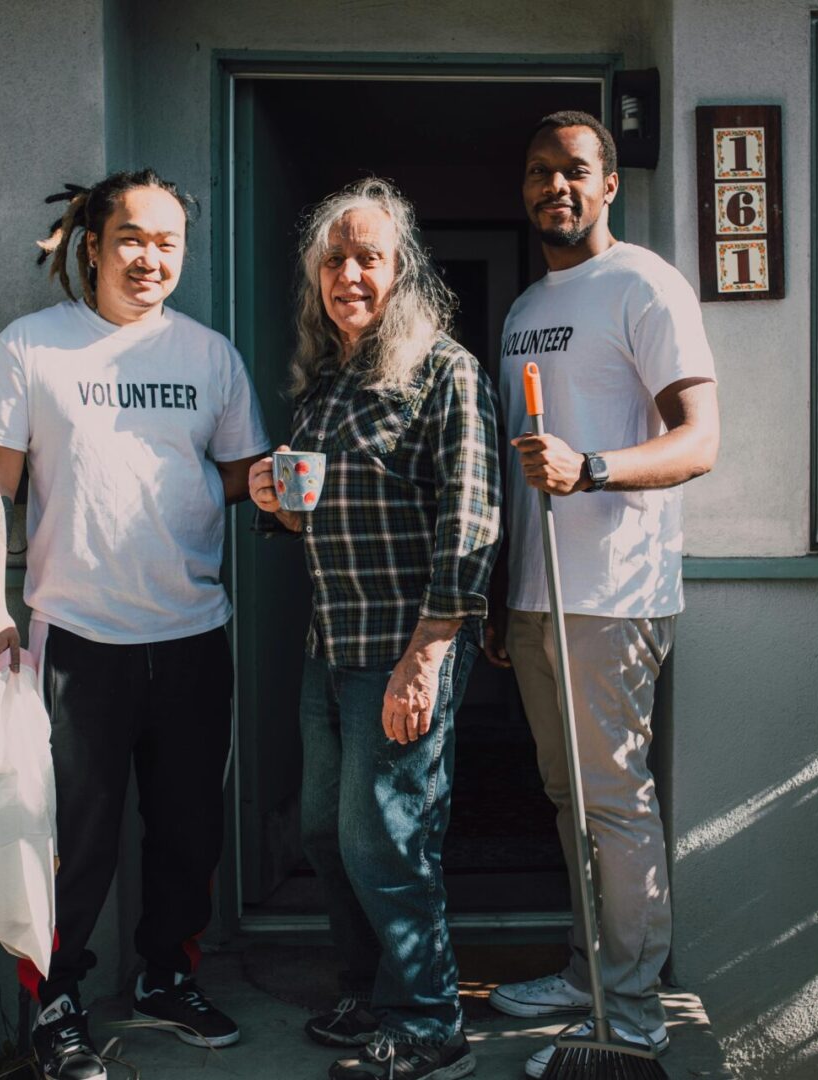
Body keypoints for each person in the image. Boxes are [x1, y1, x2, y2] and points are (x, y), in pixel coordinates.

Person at [0, 169, 270, 1080]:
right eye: (134, 239)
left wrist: (280, 487)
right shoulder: (31, 347)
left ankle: (168, 978)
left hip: (193, 634)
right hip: (76, 642)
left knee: (187, 832)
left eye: (169, 243)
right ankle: (53, 1005)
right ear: (93, 243)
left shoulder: (210, 357)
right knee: (70, 841)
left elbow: (242, 472)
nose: (151, 258)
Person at [483, 112, 720, 1079]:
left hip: (616, 595)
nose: (556, 187)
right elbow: (510, 473)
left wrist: (594, 468)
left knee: (613, 801)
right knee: (565, 796)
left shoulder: (646, 285)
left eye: (575, 170)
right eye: (540, 172)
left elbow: (700, 440)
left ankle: (632, 1014)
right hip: (539, 593)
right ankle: (587, 971)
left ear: (609, 183)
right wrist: (506, 594)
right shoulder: (523, 307)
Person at [248, 177, 501, 1080]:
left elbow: (470, 522)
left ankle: (430, 1020)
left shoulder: (443, 369)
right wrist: (271, 503)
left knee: (388, 838)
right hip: (331, 646)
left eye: (369, 258)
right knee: (327, 831)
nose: (349, 273)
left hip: (404, 647)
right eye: (335, 260)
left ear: (403, 271)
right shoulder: (327, 380)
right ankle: (366, 993)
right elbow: (319, 513)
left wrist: (426, 656)